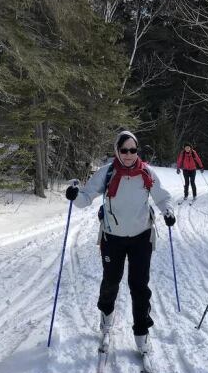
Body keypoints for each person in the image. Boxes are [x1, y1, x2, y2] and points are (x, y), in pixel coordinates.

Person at [66, 130, 175, 355]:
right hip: (112, 238)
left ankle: (141, 333)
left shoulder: (147, 173)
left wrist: (168, 211)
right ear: (117, 150)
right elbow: (86, 198)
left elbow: (162, 197)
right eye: (124, 150)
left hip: (141, 236)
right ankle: (106, 318)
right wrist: (74, 195)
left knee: (139, 286)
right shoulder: (107, 173)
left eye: (132, 150)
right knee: (111, 281)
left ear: (137, 151)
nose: (128, 154)